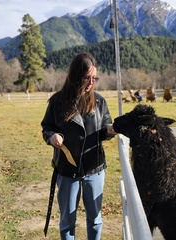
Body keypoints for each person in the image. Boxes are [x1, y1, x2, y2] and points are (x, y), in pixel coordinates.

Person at [41, 52, 116, 240]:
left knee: (95, 219)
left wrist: (110, 130)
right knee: (67, 222)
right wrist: (52, 136)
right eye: (87, 78)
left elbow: (106, 126)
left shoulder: (99, 101)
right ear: (75, 76)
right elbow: (47, 126)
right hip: (67, 170)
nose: (91, 82)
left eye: (94, 78)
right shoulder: (57, 101)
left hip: (94, 168)